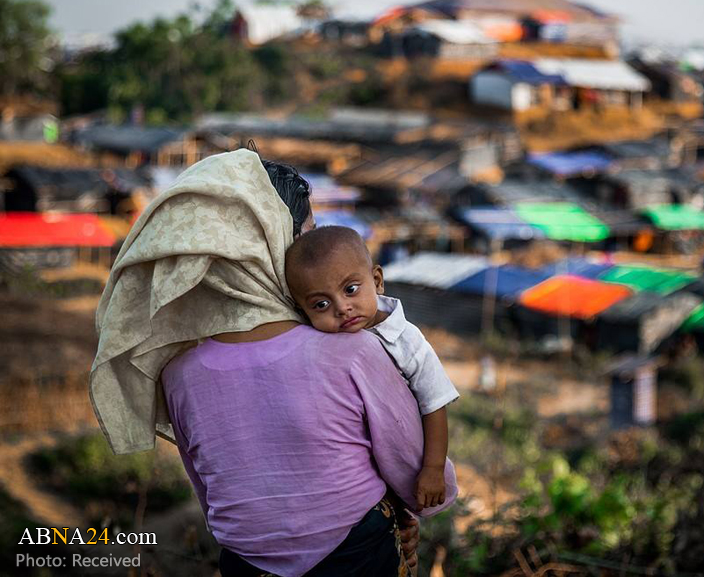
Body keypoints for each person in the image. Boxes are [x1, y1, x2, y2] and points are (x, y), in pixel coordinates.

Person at [91, 149, 455, 576]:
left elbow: (211, 490)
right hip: (355, 553)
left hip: (245, 563)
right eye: (304, 237)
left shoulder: (178, 375)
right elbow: (409, 464)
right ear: (266, 244)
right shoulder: (350, 349)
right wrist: (411, 509)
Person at [285, 226, 460, 510]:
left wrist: (433, 468)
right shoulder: (317, 346)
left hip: (409, 467)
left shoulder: (407, 340)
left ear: (377, 280)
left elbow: (435, 404)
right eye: (321, 303)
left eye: (350, 289)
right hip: (355, 476)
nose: (342, 308)